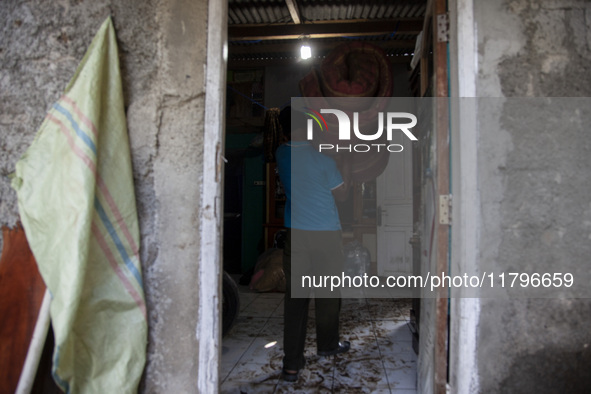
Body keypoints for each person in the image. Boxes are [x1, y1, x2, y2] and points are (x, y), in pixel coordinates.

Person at [275, 106, 351, 382]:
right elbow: (342, 196)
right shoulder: (324, 160)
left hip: (297, 234)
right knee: (328, 293)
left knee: (296, 299)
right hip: (326, 235)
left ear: (283, 130)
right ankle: (327, 345)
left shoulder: (281, 155)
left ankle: (292, 365)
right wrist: (344, 163)